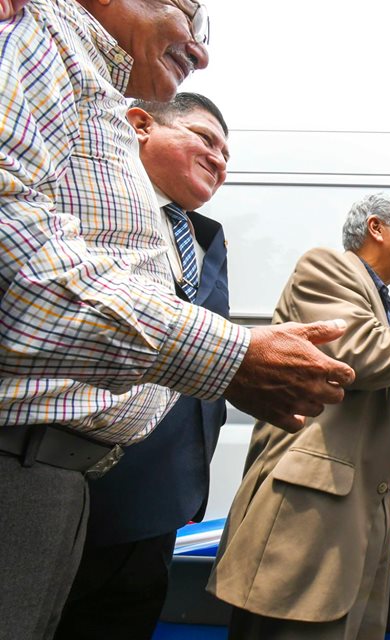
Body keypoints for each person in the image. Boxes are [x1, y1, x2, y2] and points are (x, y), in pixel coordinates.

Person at [0, 2, 353, 638]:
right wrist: (231, 357)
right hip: (29, 462)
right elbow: (18, 262)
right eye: (187, 12)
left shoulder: (106, 103)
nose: (201, 48)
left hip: (92, 481)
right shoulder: (34, 36)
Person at [208, 193, 390, 639]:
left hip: (360, 512)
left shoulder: (381, 307)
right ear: (375, 228)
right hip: (310, 514)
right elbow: (358, 356)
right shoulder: (326, 267)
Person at [52, 92, 234, 639]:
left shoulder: (207, 239)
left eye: (227, 154)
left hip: (162, 499)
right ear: (139, 124)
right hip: (79, 482)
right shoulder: (82, 205)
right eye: (205, 139)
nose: (219, 159)